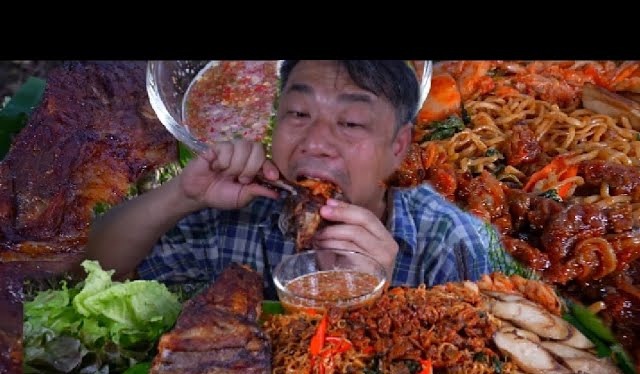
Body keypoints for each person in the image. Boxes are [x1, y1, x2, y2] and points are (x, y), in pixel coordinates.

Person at [87, 60, 501, 296]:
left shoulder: (447, 241)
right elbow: (90, 272)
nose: (316, 141)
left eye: (352, 122)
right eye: (299, 114)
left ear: (397, 146)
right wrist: (182, 194)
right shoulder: (238, 218)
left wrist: (377, 294)